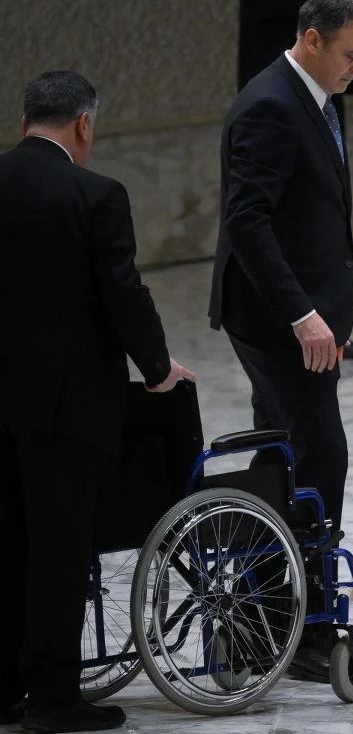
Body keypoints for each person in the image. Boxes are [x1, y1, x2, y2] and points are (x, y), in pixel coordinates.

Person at [0, 71, 194, 732]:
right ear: (84, 124)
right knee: (59, 550)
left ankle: (4, 688)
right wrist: (159, 368)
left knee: (9, 543)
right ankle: (54, 698)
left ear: (26, 122)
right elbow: (122, 294)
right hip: (67, 407)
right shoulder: (95, 194)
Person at [208, 0, 353, 683]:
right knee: (319, 455)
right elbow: (247, 222)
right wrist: (300, 313)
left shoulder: (314, 96)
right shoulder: (271, 106)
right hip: (277, 320)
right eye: (351, 56)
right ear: (312, 40)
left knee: (285, 457)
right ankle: (299, 624)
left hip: (303, 316)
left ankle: (262, 613)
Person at [238, 0, 353, 360]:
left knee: (326, 204)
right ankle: (310, 324)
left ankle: (330, 323)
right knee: (299, 210)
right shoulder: (268, 108)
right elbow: (248, 222)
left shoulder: (330, 88)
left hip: (319, 84)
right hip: (292, 81)